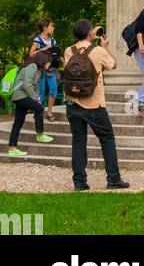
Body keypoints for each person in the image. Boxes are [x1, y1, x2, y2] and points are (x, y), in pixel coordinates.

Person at [62, 19, 129, 191]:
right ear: (90, 33)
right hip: (94, 104)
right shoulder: (99, 51)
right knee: (107, 139)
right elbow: (113, 64)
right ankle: (113, 179)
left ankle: (79, 182)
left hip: (73, 103)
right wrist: (104, 46)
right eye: (92, 30)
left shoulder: (69, 51)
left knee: (78, 141)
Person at [7, 49, 58, 157]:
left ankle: (12, 148)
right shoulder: (32, 67)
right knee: (39, 108)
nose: (50, 64)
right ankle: (40, 134)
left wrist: (37, 98)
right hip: (20, 96)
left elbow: (34, 86)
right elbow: (27, 84)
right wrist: (35, 99)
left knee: (18, 122)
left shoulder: (38, 70)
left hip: (22, 96)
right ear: (43, 60)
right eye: (49, 61)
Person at [29, 19, 58, 121]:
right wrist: (44, 48)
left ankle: (49, 112)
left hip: (51, 69)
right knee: (40, 92)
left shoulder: (53, 40)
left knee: (53, 90)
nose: (53, 28)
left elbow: (55, 54)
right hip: (40, 70)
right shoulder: (37, 40)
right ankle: (39, 111)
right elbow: (31, 54)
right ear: (45, 28)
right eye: (51, 26)